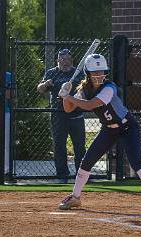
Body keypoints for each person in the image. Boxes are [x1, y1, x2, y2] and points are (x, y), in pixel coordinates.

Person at [57, 54, 141, 211]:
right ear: (88, 73)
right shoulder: (84, 90)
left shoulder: (109, 87)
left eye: (101, 71)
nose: (99, 75)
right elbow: (68, 109)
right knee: (87, 160)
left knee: (135, 161)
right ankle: (75, 197)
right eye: (95, 72)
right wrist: (66, 95)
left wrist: (69, 97)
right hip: (109, 129)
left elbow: (90, 105)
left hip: (128, 127)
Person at [37, 49, 86, 183]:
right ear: (58, 60)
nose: (64, 61)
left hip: (76, 114)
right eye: (61, 59)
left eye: (67, 59)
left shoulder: (79, 73)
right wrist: (46, 84)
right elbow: (40, 89)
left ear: (71, 60)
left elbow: (88, 89)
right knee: (59, 146)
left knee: (80, 146)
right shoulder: (52, 72)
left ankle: (81, 175)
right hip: (58, 115)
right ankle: (62, 175)